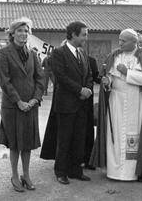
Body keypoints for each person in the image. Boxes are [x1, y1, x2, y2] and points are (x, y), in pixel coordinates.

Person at [90, 28, 142, 181]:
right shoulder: (114, 55)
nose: (120, 43)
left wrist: (127, 73)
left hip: (135, 100)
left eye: (123, 41)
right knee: (115, 135)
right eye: (119, 40)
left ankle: (132, 172)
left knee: (134, 135)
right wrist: (107, 82)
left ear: (134, 42)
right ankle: (114, 171)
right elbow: (109, 77)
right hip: (116, 101)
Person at [40, 21, 93, 184]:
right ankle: (61, 171)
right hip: (66, 104)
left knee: (79, 138)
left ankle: (75, 170)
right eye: (84, 34)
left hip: (81, 104)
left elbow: (89, 74)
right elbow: (61, 78)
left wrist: (88, 88)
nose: (86, 38)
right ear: (73, 34)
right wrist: (80, 90)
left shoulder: (82, 53)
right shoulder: (59, 53)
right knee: (64, 139)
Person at [0, 17, 45, 192]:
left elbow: (40, 78)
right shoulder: (4, 53)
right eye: (19, 30)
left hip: (30, 106)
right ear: (12, 33)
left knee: (27, 142)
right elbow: (5, 81)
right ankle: (15, 175)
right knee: (15, 143)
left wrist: (34, 99)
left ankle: (26, 174)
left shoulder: (33, 53)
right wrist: (18, 101)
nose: (23, 34)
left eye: (26, 31)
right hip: (12, 106)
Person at [83, 56, 100, 170]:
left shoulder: (91, 60)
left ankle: (88, 159)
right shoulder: (61, 56)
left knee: (88, 130)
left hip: (87, 99)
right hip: (71, 100)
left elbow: (95, 77)